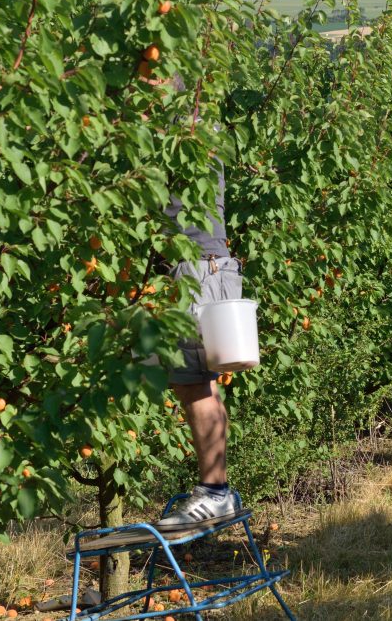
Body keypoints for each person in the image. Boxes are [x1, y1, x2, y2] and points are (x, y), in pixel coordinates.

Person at [155, 162, 243, 528]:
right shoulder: (198, 119)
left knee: (193, 380)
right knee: (198, 380)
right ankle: (219, 492)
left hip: (194, 267)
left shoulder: (187, 119)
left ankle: (215, 493)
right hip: (199, 265)